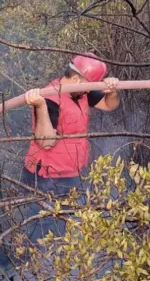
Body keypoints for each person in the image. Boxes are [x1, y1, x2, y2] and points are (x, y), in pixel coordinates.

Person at [21, 53, 120, 242]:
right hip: (46, 177)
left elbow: (109, 105)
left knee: (62, 226)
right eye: (89, 86)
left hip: (69, 173)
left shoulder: (81, 90)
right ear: (76, 79)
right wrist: (40, 106)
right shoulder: (50, 98)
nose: (88, 92)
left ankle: (52, 261)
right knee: (41, 229)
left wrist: (112, 90)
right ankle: (34, 264)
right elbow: (45, 141)